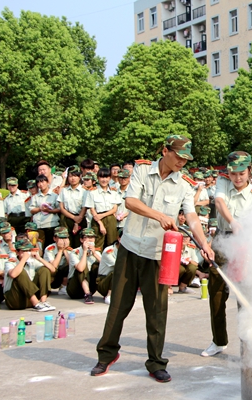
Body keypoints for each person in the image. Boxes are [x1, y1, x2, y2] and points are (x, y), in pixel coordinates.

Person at [92, 135, 213, 383]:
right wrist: (159, 215)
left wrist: (204, 244)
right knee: (118, 307)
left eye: (186, 159)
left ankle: (156, 362)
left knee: (157, 311)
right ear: (165, 151)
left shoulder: (184, 184)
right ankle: (106, 356)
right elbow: (131, 201)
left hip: (158, 255)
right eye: (178, 156)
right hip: (130, 249)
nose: (182, 162)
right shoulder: (142, 170)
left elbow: (190, 217)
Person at [202, 151, 252, 358]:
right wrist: (233, 221)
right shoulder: (222, 182)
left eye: (242, 173)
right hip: (222, 239)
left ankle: (248, 345)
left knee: (244, 295)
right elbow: (219, 203)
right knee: (216, 291)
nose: (237, 178)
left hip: (243, 244)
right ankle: (218, 341)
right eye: (233, 173)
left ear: (250, 171)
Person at [3, 238, 56, 312]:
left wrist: (39, 258)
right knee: (20, 271)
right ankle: (36, 303)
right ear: (17, 252)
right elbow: (13, 274)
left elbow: (52, 269)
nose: (27, 253)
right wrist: (24, 259)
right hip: (15, 299)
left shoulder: (32, 261)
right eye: (24, 251)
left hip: (28, 298)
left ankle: (43, 301)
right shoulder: (10, 262)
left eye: (29, 250)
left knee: (44, 269)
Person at [84, 168, 120, 250]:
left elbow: (114, 209)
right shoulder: (92, 192)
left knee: (112, 243)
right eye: (102, 177)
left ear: (109, 178)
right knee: (97, 244)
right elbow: (92, 210)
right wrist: (100, 224)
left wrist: (102, 215)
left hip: (110, 218)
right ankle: (96, 262)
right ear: (98, 178)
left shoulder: (114, 192)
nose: (104, 180)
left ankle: (111, 262)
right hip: (97, 220)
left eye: (106, 177)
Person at [67, 228, 101, 304]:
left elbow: (105, 266)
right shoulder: (75, 252)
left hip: (91, 285)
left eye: (92, 237)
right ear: (82, 240)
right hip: (75, 288)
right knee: (82, 267)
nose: (90, 240)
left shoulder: (96, 252)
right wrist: (85, 251)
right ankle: (87, 294)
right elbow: (80, 268)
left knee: (97, 265)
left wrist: (94, 254)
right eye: (87, 237)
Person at [58, 166, 87, 248]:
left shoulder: (84, 191)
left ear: (80, 176)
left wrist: (78, 220)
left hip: (81, 218)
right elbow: (62, 208)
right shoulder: (64, 190)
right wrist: (74, 218)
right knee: (66, 243)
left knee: (79, 243)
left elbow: (84, 207)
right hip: (66, 218)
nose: (73, 178)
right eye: (70, 176)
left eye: (75, 176)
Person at [29, 174, 61, 246]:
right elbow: (31, 210)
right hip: (39, 225)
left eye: (43, 182)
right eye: (39, 183)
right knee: (40, 245)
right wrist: (40, 208)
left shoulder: (54, 195)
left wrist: (49, 210)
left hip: (51, 224)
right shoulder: (35, 197)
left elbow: (59, 209)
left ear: (47, 182)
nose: (41, 184)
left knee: (51, 244)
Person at [43, 227, 72, 295]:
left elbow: (71, 264)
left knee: (69, 268)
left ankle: (63, 287)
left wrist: (65, 250)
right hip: (52, 276)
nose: (63, 240)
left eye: (65, 238)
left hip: (61, 273)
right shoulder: (50, 249)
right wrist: (60, 250)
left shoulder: (69, 249)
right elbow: (54, 266)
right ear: (55, 238)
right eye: (61, 238)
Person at [96, 229, 122, 304]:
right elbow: (117, 265)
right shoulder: (109, 250)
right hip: (103, 281)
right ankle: (109, 296)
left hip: (115, 281)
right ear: (119, 239)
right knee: (117, 270)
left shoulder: (127, 252)